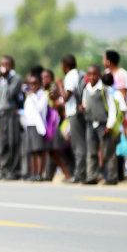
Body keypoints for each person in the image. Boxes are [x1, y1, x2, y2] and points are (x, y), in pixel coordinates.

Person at [82, 65, 118, 185]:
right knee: (91, 151)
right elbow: (85, 103)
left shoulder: (104, 89)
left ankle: (111, 177)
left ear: (99, 75)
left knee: (107, 151)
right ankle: (91, 175)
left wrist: (110, 124)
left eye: (95, 74)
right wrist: (82, 108)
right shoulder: (86, 89)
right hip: (90, 123)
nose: (92, 77)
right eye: (90, 74)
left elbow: (112, 107)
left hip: (103, 124)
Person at [103, 50, 127, 181]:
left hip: (119, 113)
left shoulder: (122, 74)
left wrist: (123, 120)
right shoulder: (106, 74)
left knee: (118, 145)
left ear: (109, 61)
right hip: (108, 113)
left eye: (104, 59)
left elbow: (123, 96)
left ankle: (119, 174)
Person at [57, 54, 86, 183]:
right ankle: (81, 172)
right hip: (79, 113)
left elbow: (66, 97)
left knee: (78, 145)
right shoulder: (79, 73)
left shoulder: (70, 76)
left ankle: (79, 174)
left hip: (74, 112)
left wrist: (59, 84)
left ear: (65, 66)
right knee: (79, 143)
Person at [0, 55, 22, 180]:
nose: (3, 67)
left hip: (12, 114)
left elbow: (11, 94)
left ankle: (14, 170)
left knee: (12, 142)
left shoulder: (15, 78)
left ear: (11, 66)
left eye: (6, 64)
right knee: (3, 143)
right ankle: (3, 169)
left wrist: (6, 78)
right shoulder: (1, 79)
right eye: (2, 64)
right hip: (2, 114)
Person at [41, 69, 72, 181]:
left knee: (55, 151)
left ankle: (67, 173)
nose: (45, 80)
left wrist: (54, 100)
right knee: (52, 152)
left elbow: (60, 107)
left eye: (47, 77)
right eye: (43, 77)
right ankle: (50, 174)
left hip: (55, 127)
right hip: (46, 127)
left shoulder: (54, 91)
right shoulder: (41, 92)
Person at [23, 72, 48, 181]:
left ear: (39, 84)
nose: (32, 86)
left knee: (39, 150)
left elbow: (39, 108)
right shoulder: (30, 96)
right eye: (30, 84)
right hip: (29, 125)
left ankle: (39, 173)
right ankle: (33, 173)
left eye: (35, 83)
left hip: (39, 126)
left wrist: (31, 97)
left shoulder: (43, 95)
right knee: (32, 151)